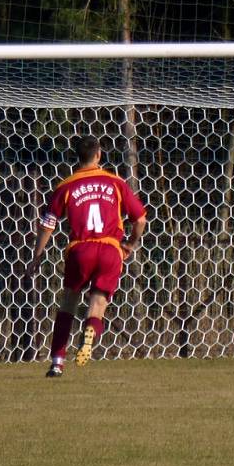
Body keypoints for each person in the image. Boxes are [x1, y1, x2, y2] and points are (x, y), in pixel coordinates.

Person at [25, 135, 147, 377]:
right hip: (110, 248)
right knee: (98, 302)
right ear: (99, 154)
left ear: (76, 156)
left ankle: (57, 362)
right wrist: (130, 245)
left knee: (68, 304)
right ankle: (90, 331)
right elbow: (141, 220)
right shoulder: (115, 182)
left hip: (80, 250)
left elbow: (47, 225)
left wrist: (37, 256)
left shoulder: (66, 186)